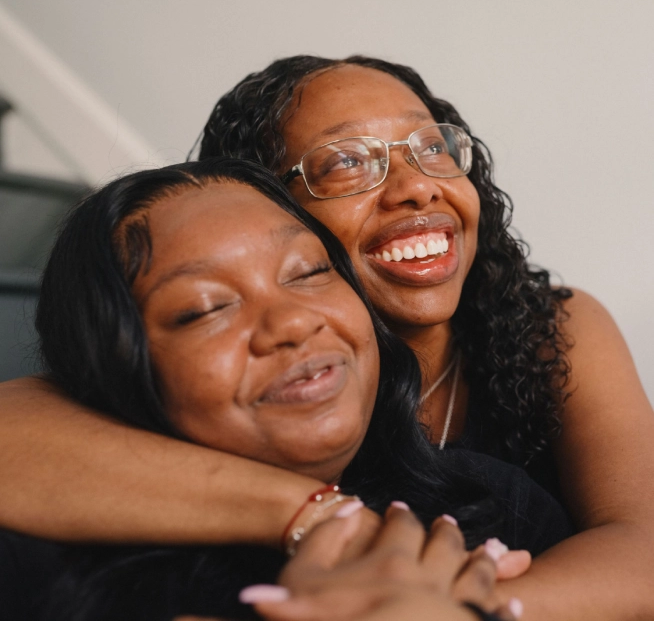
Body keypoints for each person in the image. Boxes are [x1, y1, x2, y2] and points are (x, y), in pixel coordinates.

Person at [0, 55, 652, 619]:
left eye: (431, 147)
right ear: (263, 203)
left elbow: (642, 551)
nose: (416, 187)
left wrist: (443, 609)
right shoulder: (190, 406)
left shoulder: (535, 383)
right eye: (345, 163)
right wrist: (320, 516)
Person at [7, 157, 547, 620]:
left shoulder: (498, 505)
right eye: (206, 308)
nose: (292, 323)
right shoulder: (39, 566)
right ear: (119, 366)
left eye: (309, 271)